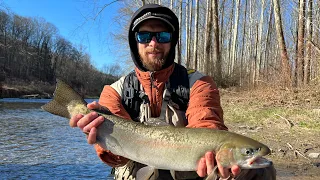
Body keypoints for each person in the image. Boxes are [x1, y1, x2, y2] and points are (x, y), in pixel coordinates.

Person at [69, 4, 276, 180]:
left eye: (163, 36)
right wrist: (100, 135)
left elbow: (206, 121)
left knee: (262, 170)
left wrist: (214, 160)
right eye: (144, 36)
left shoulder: (199, 82)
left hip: (190, 172)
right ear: (135, 42)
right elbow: (118, 155)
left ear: (172, 40)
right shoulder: (115, 91)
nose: (154, 43)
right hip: (136, 168)